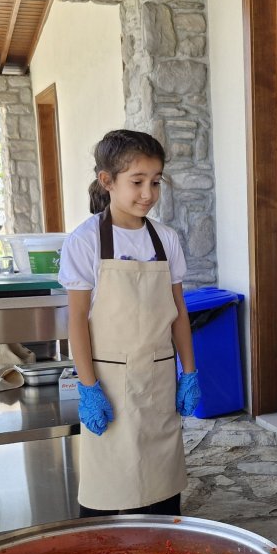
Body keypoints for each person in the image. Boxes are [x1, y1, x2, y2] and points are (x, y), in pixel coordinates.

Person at [57, 130, 201, 517]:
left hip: (157, 377)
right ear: (107, 181)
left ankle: (161, 553)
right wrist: (88, 386)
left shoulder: (166, 239)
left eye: (155, 182)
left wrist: (189, 371)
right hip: (109, 382)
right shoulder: (85, 242)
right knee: (107, 489)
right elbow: (77, 323)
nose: (148, 193)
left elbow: (178, 312)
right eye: (137, 182)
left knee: (162, 485)